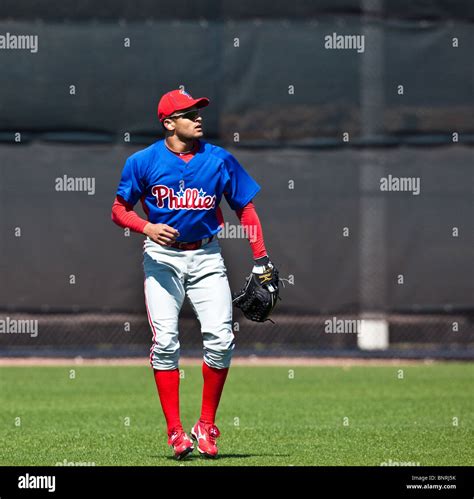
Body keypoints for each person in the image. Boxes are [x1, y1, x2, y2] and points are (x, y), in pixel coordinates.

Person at [111, 88, 276, 459]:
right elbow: (119, 210)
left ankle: (205, 425)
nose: (198, 118)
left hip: (206, 256)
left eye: (198, 112)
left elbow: (245, 209)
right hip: (161, 258)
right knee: (166, 343)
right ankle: (175, 432)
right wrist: (146, 227)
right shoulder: (142, 161)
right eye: (188, 114)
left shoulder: (219, 160)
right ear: (169, 123)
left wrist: (261, 259)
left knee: (221, 340)